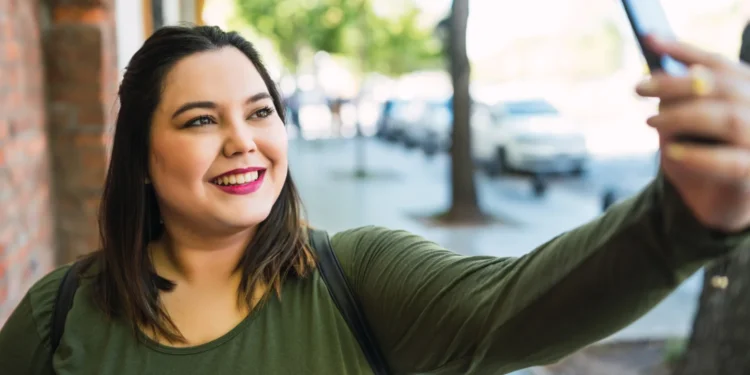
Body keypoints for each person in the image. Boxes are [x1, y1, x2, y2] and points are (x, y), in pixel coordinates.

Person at [2, 25, 750, 375]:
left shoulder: (352, 276)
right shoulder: (60, 314)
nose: (243, 140)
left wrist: (684, 219)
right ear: (138, 157)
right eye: (201, 120)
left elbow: (519, 304)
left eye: (261, 111)